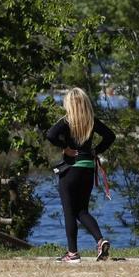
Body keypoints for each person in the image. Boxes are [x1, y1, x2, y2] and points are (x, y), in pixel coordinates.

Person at [46, 87, 116, 263]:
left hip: (71, 170)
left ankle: (72, 254)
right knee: (82, 210)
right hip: (87, 169)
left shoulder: (67, 121)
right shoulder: (91, 121)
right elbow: (110, 136)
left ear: (69, 104)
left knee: (70, 212)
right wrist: (95, 150)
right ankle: (100, 241)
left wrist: (66, 148)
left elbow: (50, 134)